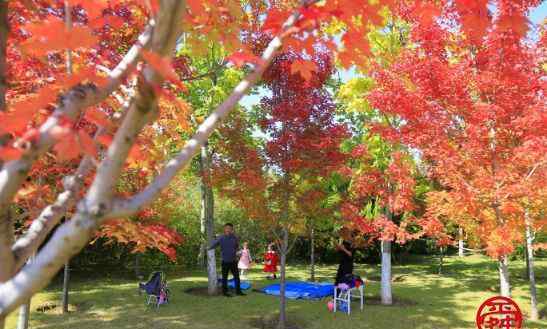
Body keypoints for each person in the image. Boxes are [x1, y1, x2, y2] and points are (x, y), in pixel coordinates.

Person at [209, 223, 245, 297]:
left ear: (232, 230)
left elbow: (237, 247)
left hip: (233, 261)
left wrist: (238, 253)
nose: (228, 230)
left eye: (230, 228)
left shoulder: (234, 238)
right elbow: (212, 245)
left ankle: (238, 291)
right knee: (224, 277)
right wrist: (213, 239)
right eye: (227, 228)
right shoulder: (221, 237)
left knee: (237, 277)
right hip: (225, 261)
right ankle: (225, 292)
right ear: (224, 229)